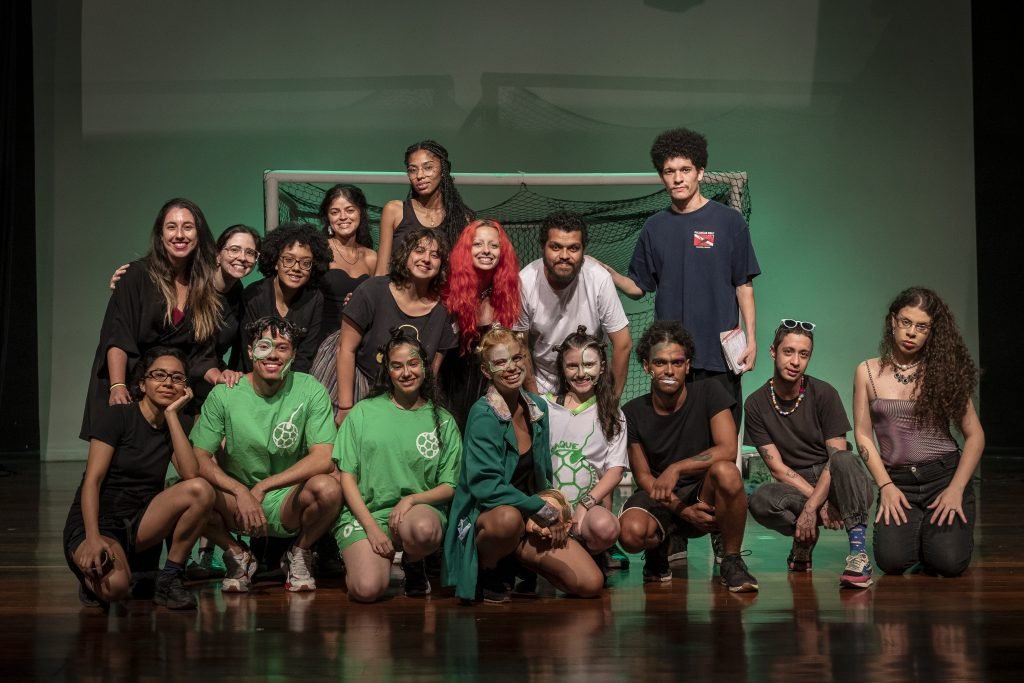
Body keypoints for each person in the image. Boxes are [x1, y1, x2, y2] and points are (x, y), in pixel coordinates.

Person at [600, 128, 760, 425]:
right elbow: (638, 287)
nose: (677, 178)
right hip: (671, 359)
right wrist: (607, 272)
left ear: (700, 172)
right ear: (662, 176)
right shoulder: (654, 227)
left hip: (719, 356)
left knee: (722, 448)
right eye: (669, 171)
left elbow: (743, 285)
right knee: (676, 444)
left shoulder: (729, 222)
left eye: (685, 170)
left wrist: (752, 340)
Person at [444, 326, 605, 603]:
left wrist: (552, 512)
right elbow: (487, 488)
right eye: (500, 362)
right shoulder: (483, 415)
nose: (511, 367)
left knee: (590, 584)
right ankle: (489, 568)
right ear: (486, 372)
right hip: (490, 517)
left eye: (517, 358)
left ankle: (521, 563)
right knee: (507, 520)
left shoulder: (536, 408)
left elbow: (542, 475)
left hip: (528, 516)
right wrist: (540, 509)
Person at [191, 316, 342, 593]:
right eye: (264, 346)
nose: (273, 354)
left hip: (286, 498)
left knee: (330, 487)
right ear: (250, 351)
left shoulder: (310, 389)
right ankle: (237, 554)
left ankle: (299, 553)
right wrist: (241, 491)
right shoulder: (226, 393)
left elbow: (324, 457)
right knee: (188, 490)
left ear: (294, 354)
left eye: (283, 348)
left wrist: (264, 487)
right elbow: (198, 457)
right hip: (236, 500)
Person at [64, 347, 215, 610]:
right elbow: (92, 482)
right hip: (100, 522)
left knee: (200, 490)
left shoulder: (178, 423)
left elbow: (191, 474)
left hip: (141, 521)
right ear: (142, 384)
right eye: (159, 375)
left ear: (185, 389)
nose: (168, 382)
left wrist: (172, 416)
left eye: (177, 378)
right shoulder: (117, 416)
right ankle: (91, 577)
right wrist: (92, 537)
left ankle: (168, 578)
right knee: (116, 589)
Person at [617, 321, 758, 592]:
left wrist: (677, 468)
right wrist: (680, 509)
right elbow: (643, 476)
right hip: (660, 497)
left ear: (688, 365)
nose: (669, 370)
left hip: (702, 496)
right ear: (647, 367)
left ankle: (732, 560)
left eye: (677, 362)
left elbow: (728, 448)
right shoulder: (632, 412)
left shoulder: (710, 393)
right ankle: (658, 550)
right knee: (631, 533)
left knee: (727, 472)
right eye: (660, 363)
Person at [853, 287, 984, 577]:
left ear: (931, 332)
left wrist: (956, 489)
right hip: (899, 483)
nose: (912, 332)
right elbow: (863, 435)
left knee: (948, 565)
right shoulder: (867, 371)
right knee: (891, 562)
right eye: (906, 322)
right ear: (893, 322)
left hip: (943, 478)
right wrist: (885, 487)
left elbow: (975, 436)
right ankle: (924, 534)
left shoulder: (943, 371)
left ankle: (937, 538)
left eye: (922, 327)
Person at [332, 328, 462, 602]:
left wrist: (412, 500)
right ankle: (359, 559)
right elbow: (347, 478)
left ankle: (414, 561)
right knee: (366, 590)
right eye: (397, 366)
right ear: (387, 371)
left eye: (413, 364)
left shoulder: (444, 421)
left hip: (415, 513)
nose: (406, 373)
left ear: (425, 367)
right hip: (366, 515)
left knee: (424, 530)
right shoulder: (364, 412)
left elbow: (449, 485)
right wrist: (371, 528)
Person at [745, 320, 875, 588]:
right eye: (788, 352)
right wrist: (816, 504)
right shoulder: (756, 404)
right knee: (760, 500)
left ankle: (858, 555)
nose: (795, 361)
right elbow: (778, 470)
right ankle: (803, 542)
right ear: (773, 352)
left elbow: (837, 457)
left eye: (803, 354)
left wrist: (817, 504)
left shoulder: (825, 393)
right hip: (796, 485)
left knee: (844, 458)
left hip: (838, 481)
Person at [82, 198, 224, 439]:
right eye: (171, 227)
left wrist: (221, 377)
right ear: (160, 235)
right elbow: (117, 334)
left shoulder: (203, 286)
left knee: (193, 464)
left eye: (188, 227)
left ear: (199, 234)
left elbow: (201, 353)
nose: (180, 234)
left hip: (173, 392)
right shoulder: (136, 276)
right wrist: (117, 386)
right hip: (131, 386)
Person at [334, 228, 458, 425]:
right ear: (405, 254)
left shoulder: (443, 311)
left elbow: (431, 371)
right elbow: (345, 349)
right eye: (419, 250)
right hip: (361, 383)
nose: (426, 259)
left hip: (408, 394)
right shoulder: (372, 290)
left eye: (435, 255)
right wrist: (345, 407)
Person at [515, 211, 632, 399]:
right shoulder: (524, 282)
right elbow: (520, 347)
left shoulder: (599, 279)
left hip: (591, 386)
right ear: (542, 247)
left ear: (583, 250)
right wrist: (535, 401)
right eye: (555, 247)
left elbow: (623, 344)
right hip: (544, 386)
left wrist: (612, 401)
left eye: (573, 248)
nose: (564, 255)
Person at [545, 326, 628, 568]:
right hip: (549, 506)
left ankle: (592, 553)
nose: (581, 373)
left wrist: (585, 504)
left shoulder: (613, 415)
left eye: (589, 365)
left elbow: (615, 469)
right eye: (573, 366)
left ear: (602, 367)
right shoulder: (544, 408)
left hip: (588, 509)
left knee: (607, 527)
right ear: (562, 368)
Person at [439, 218, 521, 430]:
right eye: (478, 244)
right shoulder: (446, 291)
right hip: (449, 390)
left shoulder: (507, 294)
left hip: (490, 390)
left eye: (494, 245)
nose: (486, 251)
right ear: (466, 249)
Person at [240, 222, 330, 373]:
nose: (296, 268)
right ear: (276, 262)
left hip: (293, 381)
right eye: (288, 259)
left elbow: (305, 355)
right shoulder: (254, 295)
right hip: (251, 379)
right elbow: (248, 353)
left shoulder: (315, 298)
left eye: (305, 263)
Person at [375, 140, 473, 275]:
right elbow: (381, 272)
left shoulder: (462, 218)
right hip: (399, 293)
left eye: (428, 167)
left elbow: (465, 274)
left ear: (443, 170)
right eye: (412, 170)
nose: (420, 176)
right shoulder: (395, 211)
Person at [318, 184, 377, 345]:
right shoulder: (319, 249)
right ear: (328, 217)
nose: (343, 217)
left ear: (361, 213)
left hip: (361, 341)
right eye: (335, 212)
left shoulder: (371, 257)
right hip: (322, 340)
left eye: (350, 210)